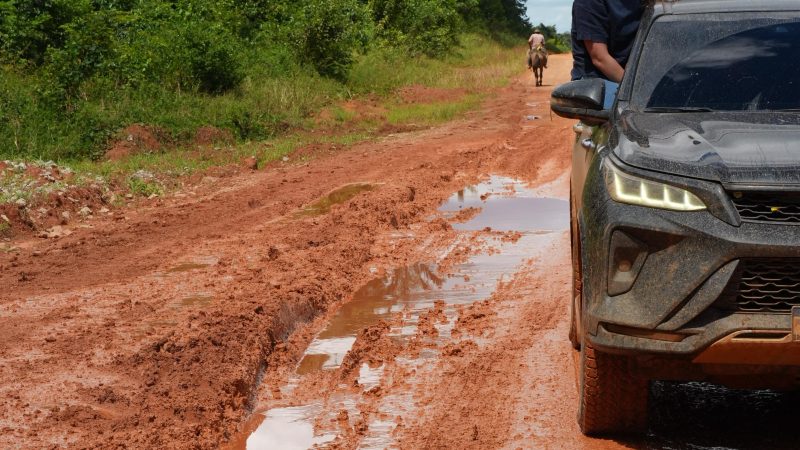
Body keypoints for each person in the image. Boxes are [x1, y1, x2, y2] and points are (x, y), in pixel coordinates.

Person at [570, 0, 644, 106]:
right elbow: (600, 58)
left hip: (636, 79)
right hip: (598, 81)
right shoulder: (589, 2)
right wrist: (637, 91)